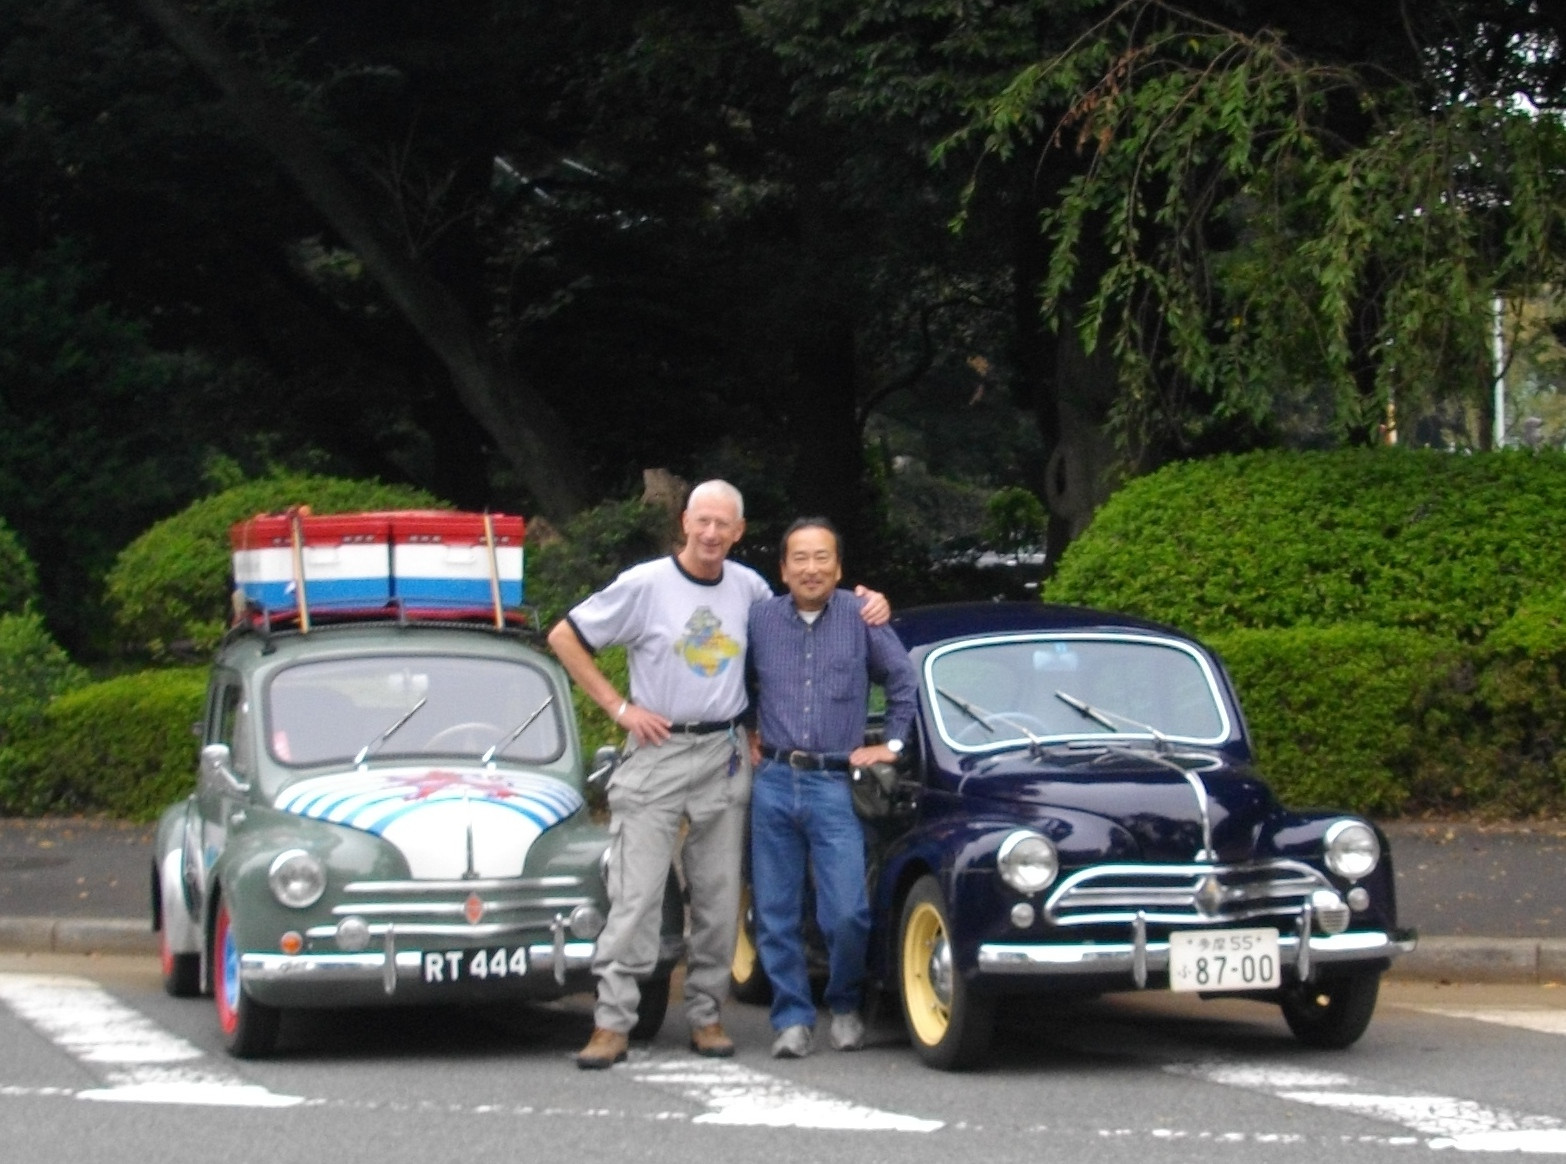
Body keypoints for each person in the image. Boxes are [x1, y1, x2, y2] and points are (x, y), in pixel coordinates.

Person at [547, 481, 889, 1068]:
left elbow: (799, 627)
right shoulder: (645, 584)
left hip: (724, 753)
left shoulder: (749, 588)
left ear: (738, 531)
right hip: (657, 748)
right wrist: (619, 708)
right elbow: (564, 636)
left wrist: (868, 603)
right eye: (702, 521)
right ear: (685, 522)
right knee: (636, 894)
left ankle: (706, 1014)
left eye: (722, 524)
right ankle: (612, 1022)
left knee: (719, 895)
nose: (710, 533)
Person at [745, 517, 918, 1058]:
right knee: (775, 911)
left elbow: (903, 679)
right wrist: (746, 728)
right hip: (773, 779)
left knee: (847, 912)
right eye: (799, 558)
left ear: (839, 568)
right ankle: (791, 1018)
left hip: (835, 782)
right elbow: (735, 681)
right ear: (783, 569)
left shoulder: (862, 616)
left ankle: (843, 1003)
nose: (811, 568)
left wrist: (891, 745)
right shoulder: (760, 620)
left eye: (822, 558)